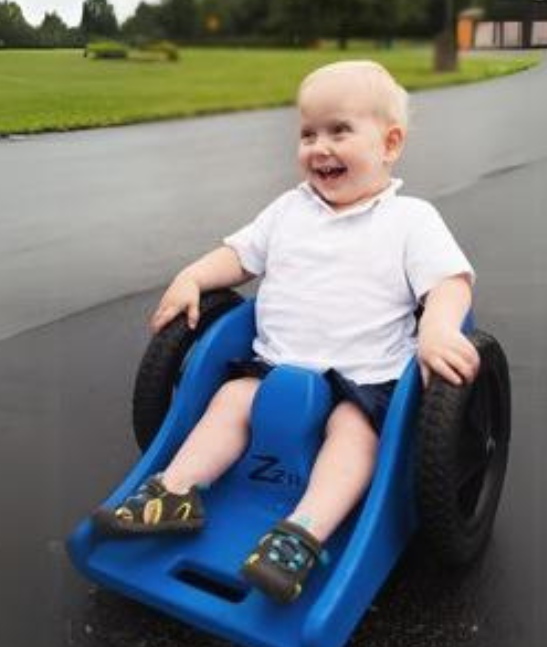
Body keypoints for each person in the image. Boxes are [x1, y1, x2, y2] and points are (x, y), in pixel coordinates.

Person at [92, 60, 478, 603]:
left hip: (363, 381)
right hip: (274, 366)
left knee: (354, 434)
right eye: (308, 134)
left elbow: (450, 281)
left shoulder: (410, 220)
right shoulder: (289, 210)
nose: (320, 148)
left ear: (390, 143)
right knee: (230, 400)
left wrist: (436, 327)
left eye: (339, 131)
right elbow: (239, 256)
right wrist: (193, 277)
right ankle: (174, 491)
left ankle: (302, 532)